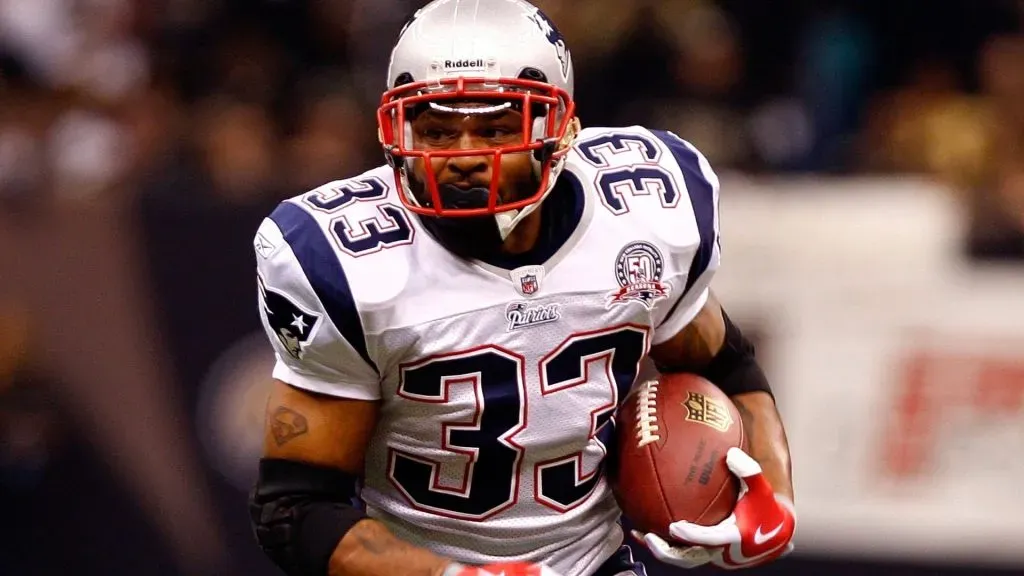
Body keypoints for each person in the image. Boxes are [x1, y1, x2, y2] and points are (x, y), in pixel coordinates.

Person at [247, 1, 795, 575]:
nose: (462, 158)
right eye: (436, 129)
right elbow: (295, 509)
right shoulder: (343, 261)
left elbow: (730, 366)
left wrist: (774, 493)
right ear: (398, 130)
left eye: (495, 128)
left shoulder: (643, 213)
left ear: (557, 132)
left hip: (591, 559)